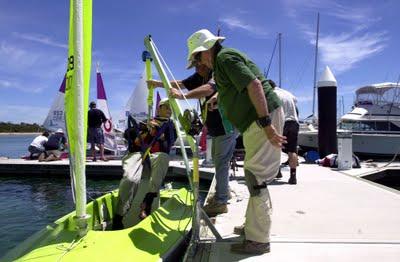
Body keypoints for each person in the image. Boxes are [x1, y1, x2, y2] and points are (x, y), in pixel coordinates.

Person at [186, 29, 286, 254]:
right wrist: (217, 97)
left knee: (255, 177)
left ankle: (258, 240)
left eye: (196, 57)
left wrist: (266, 124)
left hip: (259, 119)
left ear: (205, 51)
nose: (197, 62)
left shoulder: (224, 58)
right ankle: (253, 225)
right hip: (253, 121)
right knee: (253, 173)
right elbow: (235, 84)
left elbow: (254, 85)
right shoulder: (222, 63)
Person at [147, 63, 237, 217]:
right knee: (218, 162)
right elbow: (180, 84)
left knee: (221, 162)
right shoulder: (198, 77)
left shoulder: (216, 74)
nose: (197, 69)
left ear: (207, 63)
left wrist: (182, 96)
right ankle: (224, 193)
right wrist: (158, 84)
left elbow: (212, 89)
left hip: (226, 126)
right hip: (216, 129)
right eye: (195, 66)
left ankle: (221, 202)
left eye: (199, 65)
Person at [113, 98, 177, 229]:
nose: (170, 110)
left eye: (172, 108)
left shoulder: (170, 126)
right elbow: (131, 139)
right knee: (130, 179)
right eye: (167, 107)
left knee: (163, 158)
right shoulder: (147, 121)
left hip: (155, 157)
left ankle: (148, 201)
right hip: (138, 155)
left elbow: (168, 144)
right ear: (159, 108)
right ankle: (119, 216)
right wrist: (145, 130)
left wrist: (159, 135)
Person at [269, 79, 299, 184]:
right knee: (292, 150)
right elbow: (295, 102)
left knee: (275, 147)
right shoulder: (286, 93)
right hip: (294, 122)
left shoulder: (272, 93)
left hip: (281, 121)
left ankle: (277, 171)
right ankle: (293, 176)